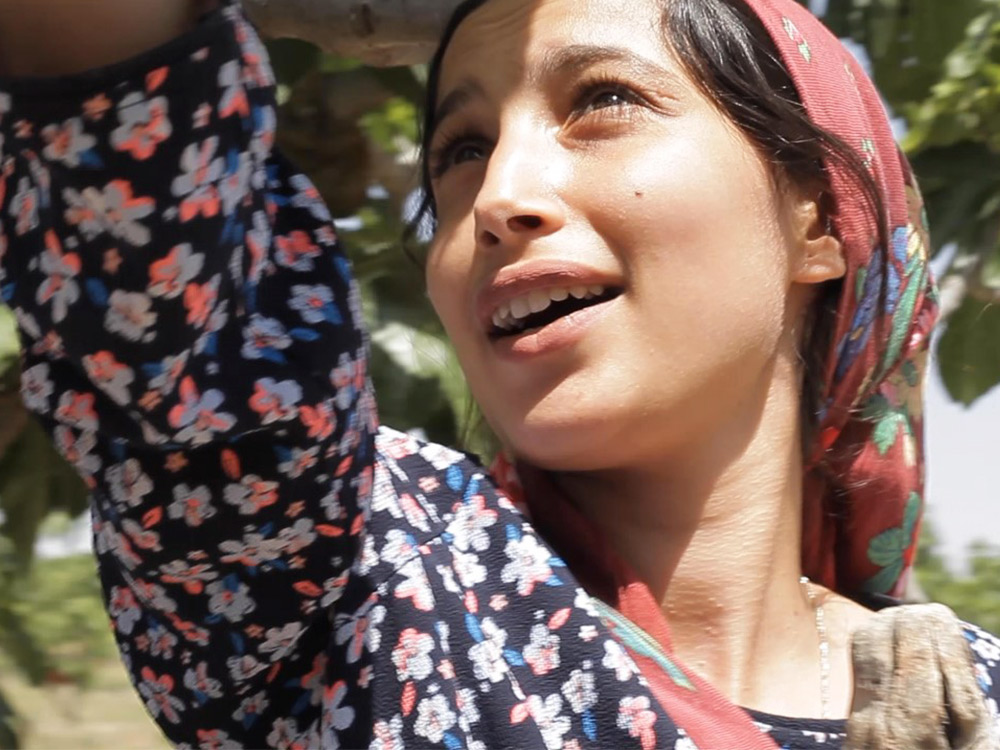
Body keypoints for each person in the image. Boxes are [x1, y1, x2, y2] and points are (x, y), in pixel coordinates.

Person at [0, 0, 996, 748]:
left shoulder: (971, 690)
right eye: (460, 151)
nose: (498, 196)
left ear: (816, 218)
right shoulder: (371, 591)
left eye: (603, 100)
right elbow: (164, 277)